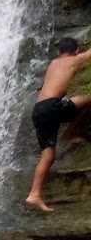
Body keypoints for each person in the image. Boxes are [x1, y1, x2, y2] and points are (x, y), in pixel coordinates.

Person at [26, 37, 91, 212]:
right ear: (76, 50)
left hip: (39, 110)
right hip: (52, 108)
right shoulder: (74, 60)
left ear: (60, 51)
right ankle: (71, 132)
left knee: (48, 155)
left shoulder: (53, 63)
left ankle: (35, 194)